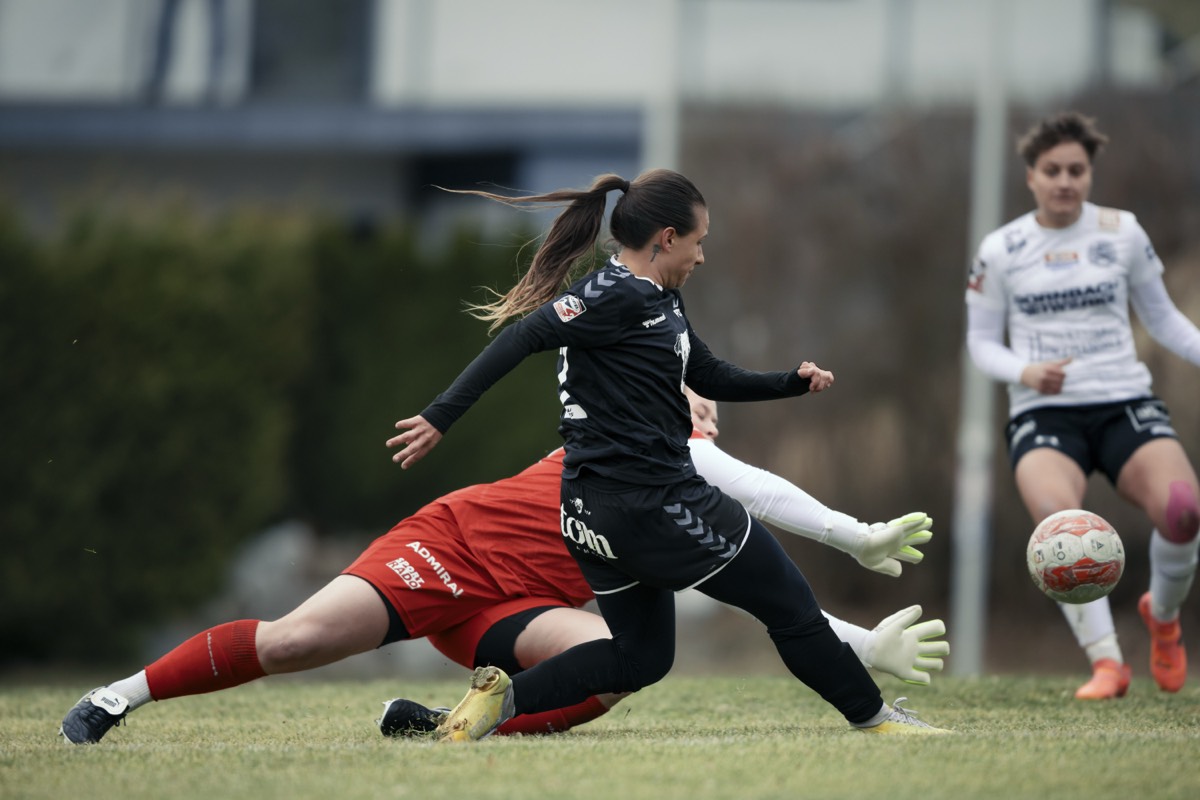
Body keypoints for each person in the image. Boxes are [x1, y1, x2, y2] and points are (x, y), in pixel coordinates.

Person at [388, 168, 951, 739]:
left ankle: (500, 701)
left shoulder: (659, 299)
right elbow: (521, 336)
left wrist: (788, 382)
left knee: (641, 659)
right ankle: (877, 720)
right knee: (790, 604)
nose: (702, 256)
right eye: (699, 241)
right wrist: (440, 415)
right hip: (655, 503)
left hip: (593, 514)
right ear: (666, 237)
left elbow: (706, 372)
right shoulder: (614, 295)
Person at [58, 391, 948, 744]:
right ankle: (118, 697)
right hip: (448, 553)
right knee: (296, 642)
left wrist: (864, 644)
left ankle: (443, 724)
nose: (701, 416)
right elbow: (759, 494)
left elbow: (766, 596)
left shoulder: (677, 495)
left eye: (706, 404)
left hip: (516, 608)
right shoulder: (646, 452)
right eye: (688, 400)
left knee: (612, 668)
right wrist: (855, 535)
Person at [966, 111, 1200, 699]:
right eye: (1052, 171)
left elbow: (1165, 319)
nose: (1065, 181)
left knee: (1184, 512)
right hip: (1044, 415)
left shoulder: (1122, 232)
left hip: (1124, 401)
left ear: (1090, 173)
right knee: (1059, 528)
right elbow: (979, 343)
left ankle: (1164, 619)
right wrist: (1025, 371)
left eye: (1076, 170)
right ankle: (1106, 664)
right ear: (1031, 176)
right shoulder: (1002, 249)